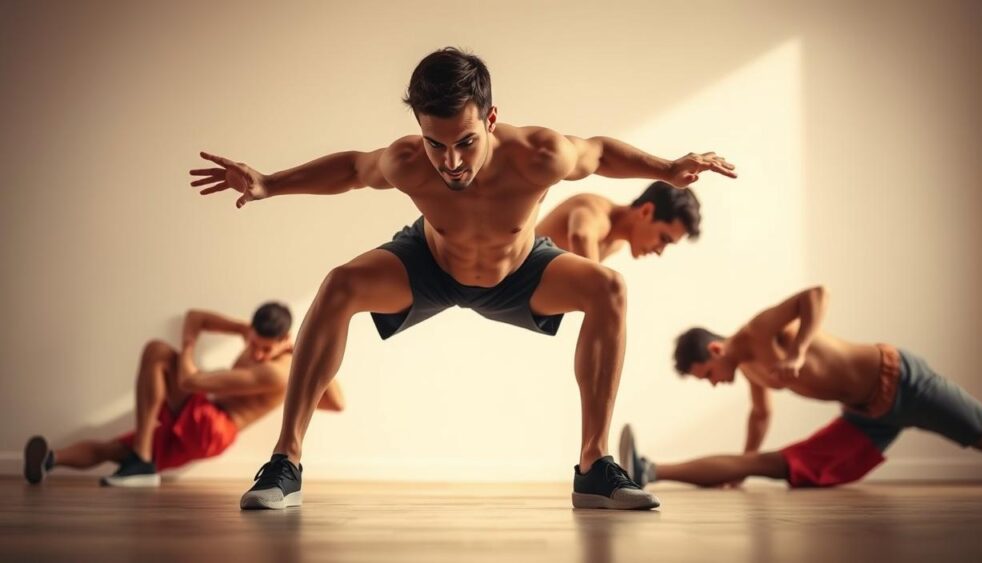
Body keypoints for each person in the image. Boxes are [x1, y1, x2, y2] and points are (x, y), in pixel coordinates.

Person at [189, 47, 736, 510]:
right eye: (436, 143)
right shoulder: (407, 160)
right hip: (431, 264)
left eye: (466, 142)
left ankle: (594, 465)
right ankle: (285, 461)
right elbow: (354, 169)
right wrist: (269, 183)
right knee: (340, 284)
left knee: (608, 287)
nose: (450, 161)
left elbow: (598, 153)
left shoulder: (539, 155)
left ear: (491, 119)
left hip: (519, 271)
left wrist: (666, 169)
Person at [618, 286, 982, 489]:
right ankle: (648, 470)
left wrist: (797, 350)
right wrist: (742, 465)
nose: (713, 383)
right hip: (866, 417)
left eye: (707, 374)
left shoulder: (760, 332)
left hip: (901, 380)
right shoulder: (752, 371)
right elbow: (760, 415)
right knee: (780, 464)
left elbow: (817, 294)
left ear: (715, 349)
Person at [23, 302, 344, 487]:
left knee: (157, 351)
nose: (257, 353)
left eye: (265, 349)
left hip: (213, 428)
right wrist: (240, 329)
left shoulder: (278, 371)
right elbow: (194, 316)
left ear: (285, 339)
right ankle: (51, 460)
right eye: (253, 344)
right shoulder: (257, 340)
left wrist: (308, 350)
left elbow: (190, 382)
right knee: (115, 449)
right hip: (197, 422)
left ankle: (142, 461)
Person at [536, 181, 701, 261]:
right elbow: (581, 236)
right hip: (520, 271)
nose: (660, 251)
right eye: (663, 239)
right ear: (646, 211)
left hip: (529, 300)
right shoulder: (597, 211)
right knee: (612, 287)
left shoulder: (616, 244)